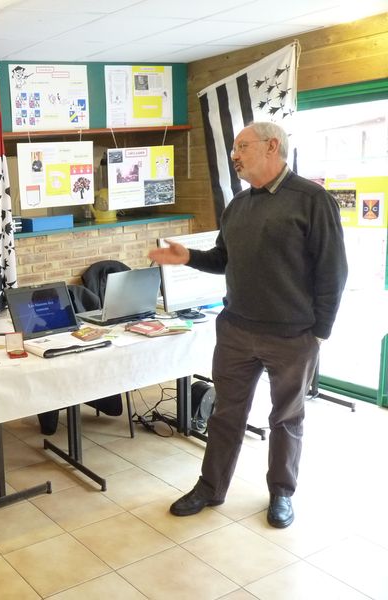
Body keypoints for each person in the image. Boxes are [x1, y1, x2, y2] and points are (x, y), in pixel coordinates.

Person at [148, 121, 347, 529]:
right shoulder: (237, 206)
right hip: (236, 331)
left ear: (272, 146)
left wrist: (319, 333)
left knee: (286, 418)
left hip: (292, 336)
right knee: (225, 414)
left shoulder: (313, 200)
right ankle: (210, 487)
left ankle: (281, 493)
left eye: (242, 146)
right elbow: (223, 259)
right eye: (234, 148)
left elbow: (333, 272)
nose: (234, 155)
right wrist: (189, 257)